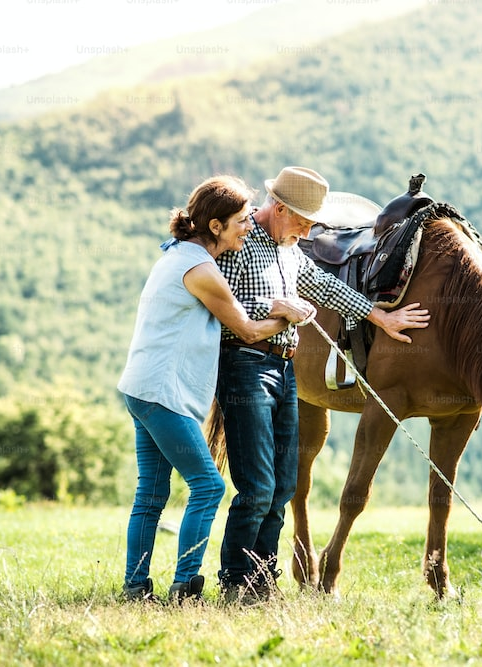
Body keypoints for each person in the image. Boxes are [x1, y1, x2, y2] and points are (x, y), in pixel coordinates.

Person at [215, 166, 431, 603]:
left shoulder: (291, 249)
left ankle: (261, 578)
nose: (309, 230)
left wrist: (380, 316)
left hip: (283, 366)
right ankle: (236, 583)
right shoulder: (237, 244)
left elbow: (327, 287)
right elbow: (218, 302)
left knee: (282, 484)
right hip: (245, 367)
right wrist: (278, 309)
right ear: (279, 209)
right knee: (257, 486)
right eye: (303, 221)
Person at [117, 175, 316, 604]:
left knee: (151, 494)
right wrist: (289, 317)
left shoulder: (179, 253)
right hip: (161, 393)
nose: (249, 227)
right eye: (242, 221)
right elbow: (245, 329)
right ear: (215, 227)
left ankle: (136, 589)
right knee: (208, 486)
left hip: (144, 386)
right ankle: (185, 587)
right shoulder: (202, 270)